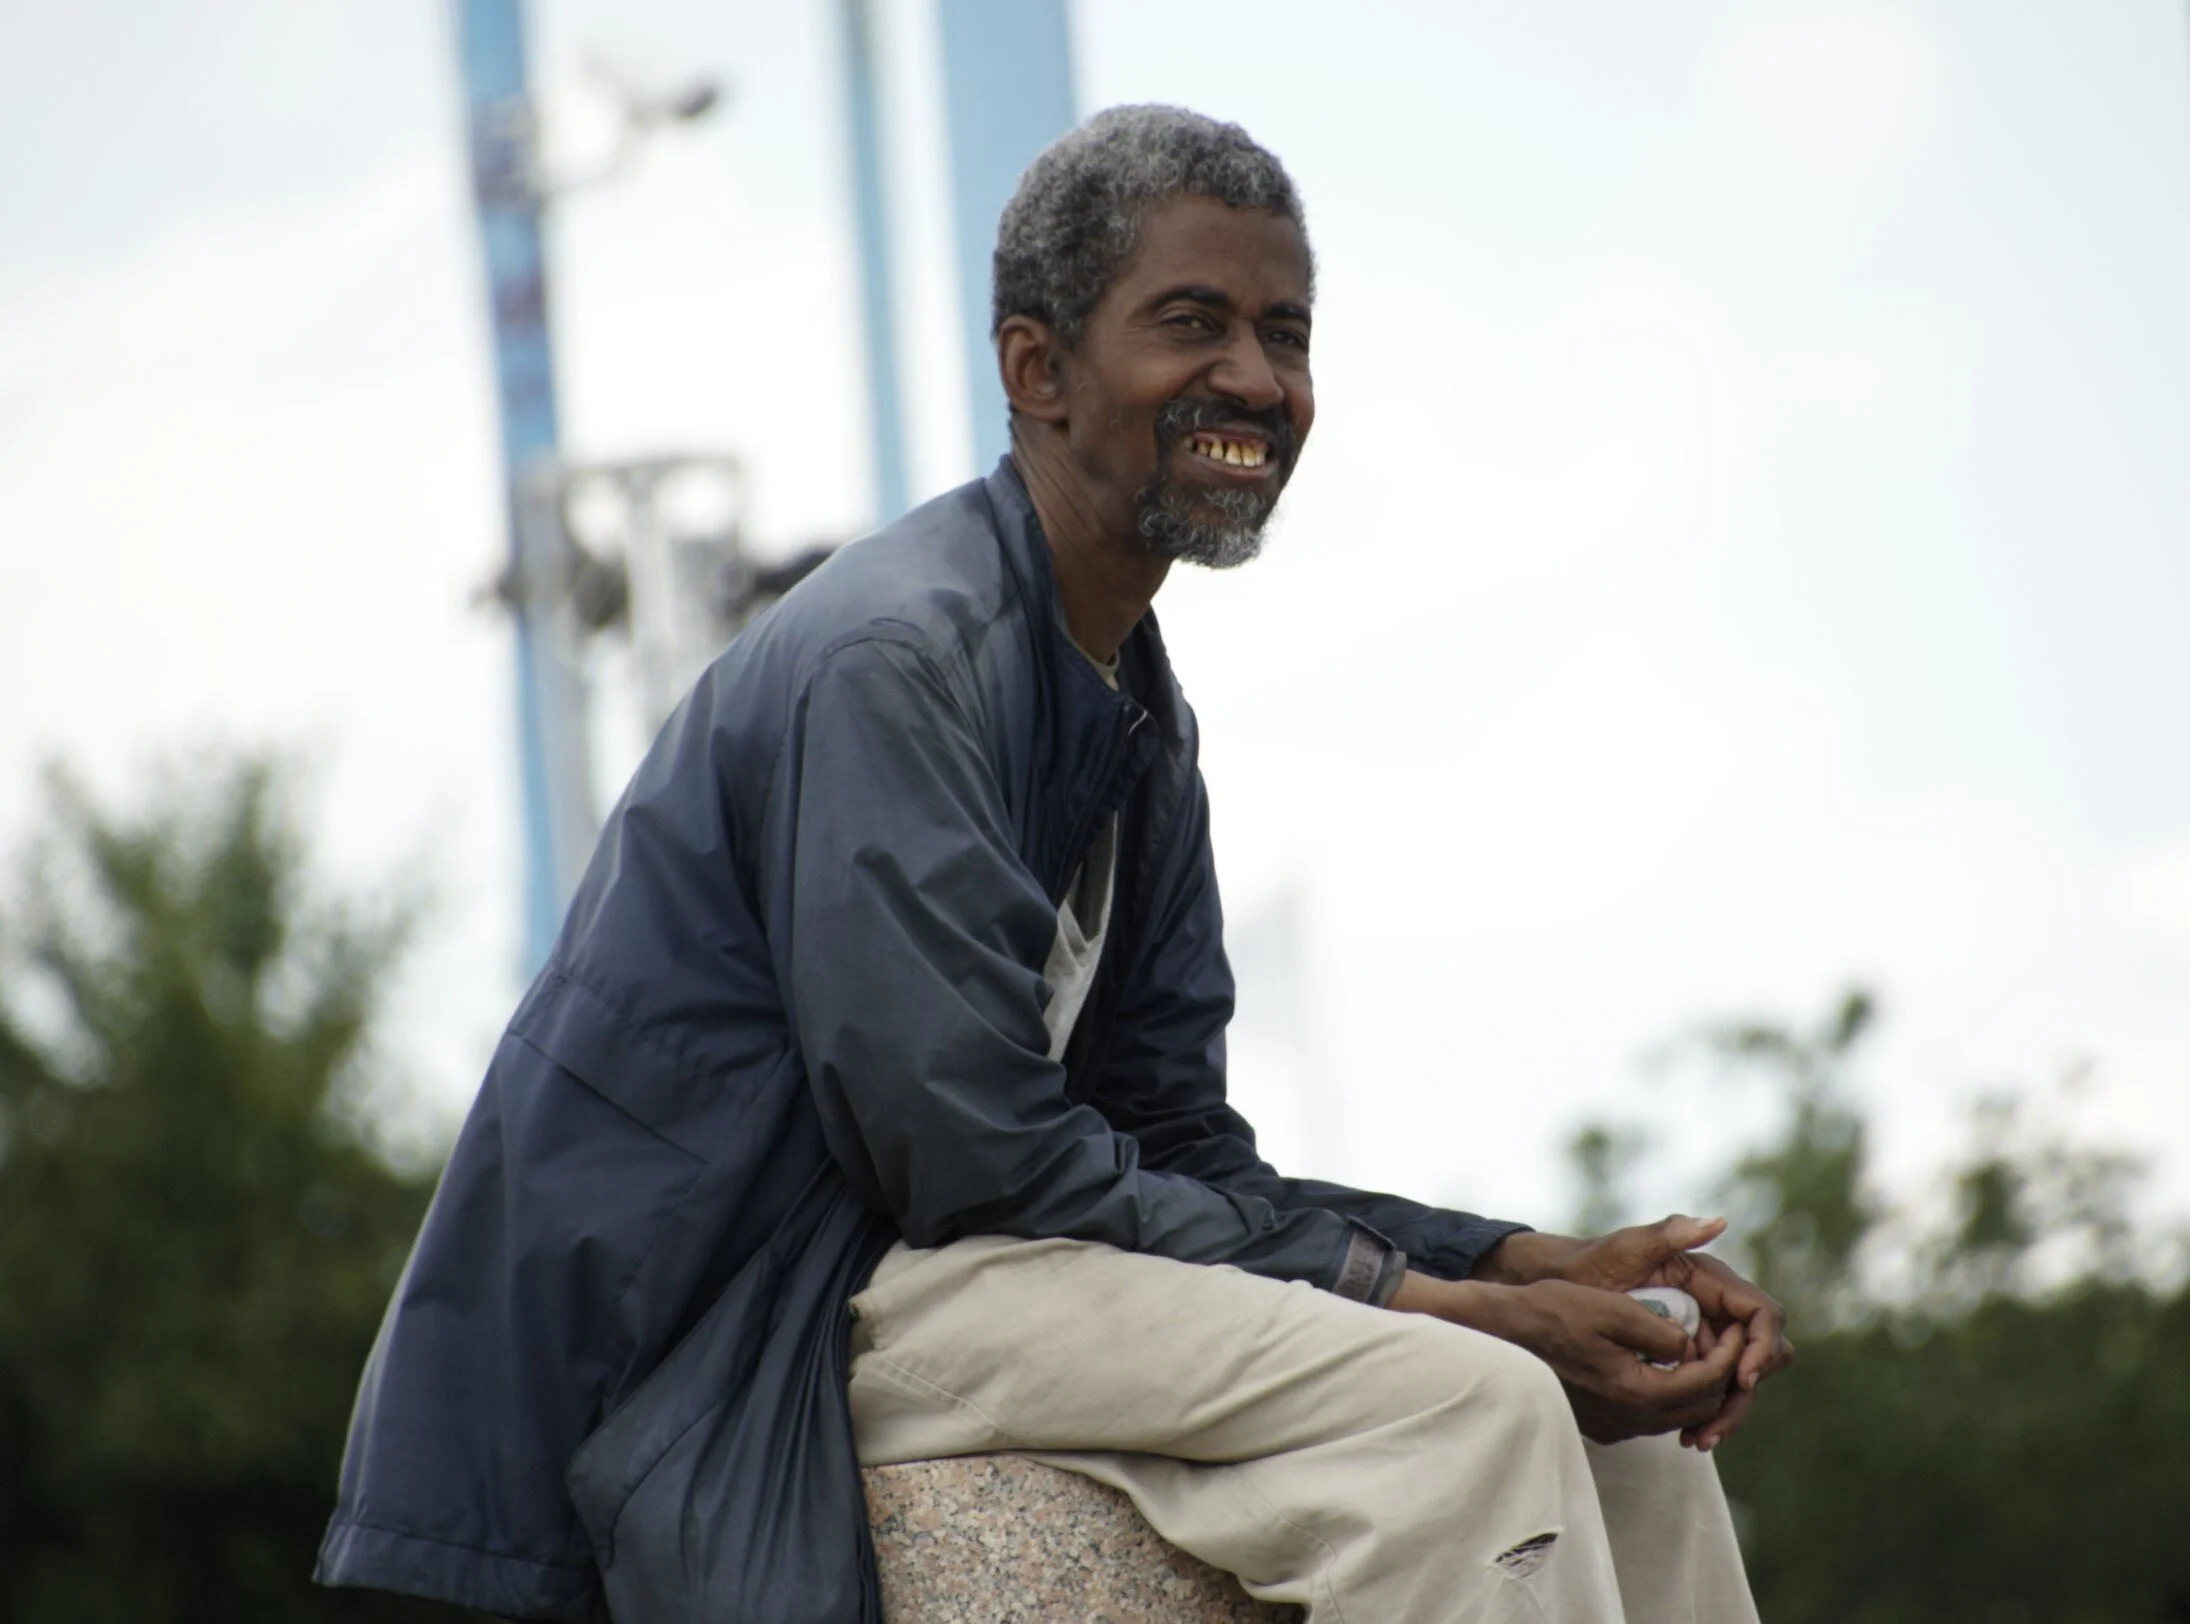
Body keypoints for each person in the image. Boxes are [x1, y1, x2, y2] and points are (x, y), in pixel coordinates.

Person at [318, 105, 1792, 1624]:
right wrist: (1448, 1309)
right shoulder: (898, 657)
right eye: (1191, 323)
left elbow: (1169, 1142)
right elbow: (973, 1161)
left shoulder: (1132, 715)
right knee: (1466, 1401)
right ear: (1037, 370)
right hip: (755, 1317)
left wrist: (1541, 1266)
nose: (1255, 379)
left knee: (1640, 1451)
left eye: (1283, 333)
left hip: (977, 1273)